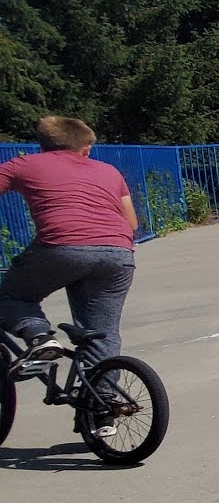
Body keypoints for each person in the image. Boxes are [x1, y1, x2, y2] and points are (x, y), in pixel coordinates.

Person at [0, 117, 140, 406]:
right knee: (101, 333)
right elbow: (131, 223)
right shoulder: (109, 171)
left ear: (42, 145)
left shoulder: (25, 164)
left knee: (12, 296)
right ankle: (101, 406)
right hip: (118, 254)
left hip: (61, 248)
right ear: (85, 147)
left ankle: (39, 338)